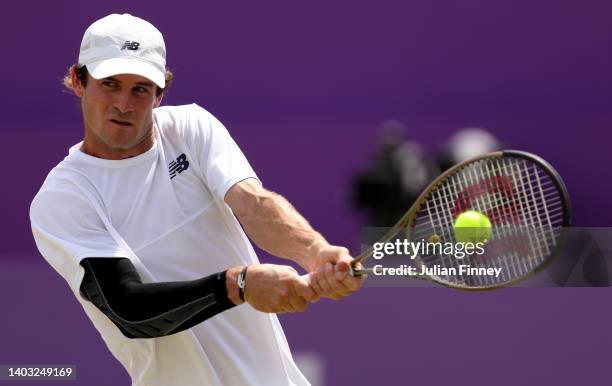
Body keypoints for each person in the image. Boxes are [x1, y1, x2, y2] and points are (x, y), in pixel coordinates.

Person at [29, 13, 363, 386]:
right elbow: (128, 309)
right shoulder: (63, 198)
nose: (123, 103)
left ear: (160, 94)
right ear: (78, 80)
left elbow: (253, 205)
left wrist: (315, 254)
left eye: (141, 89)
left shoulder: (191, 127)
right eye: (110, 84)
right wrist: (239, 285)